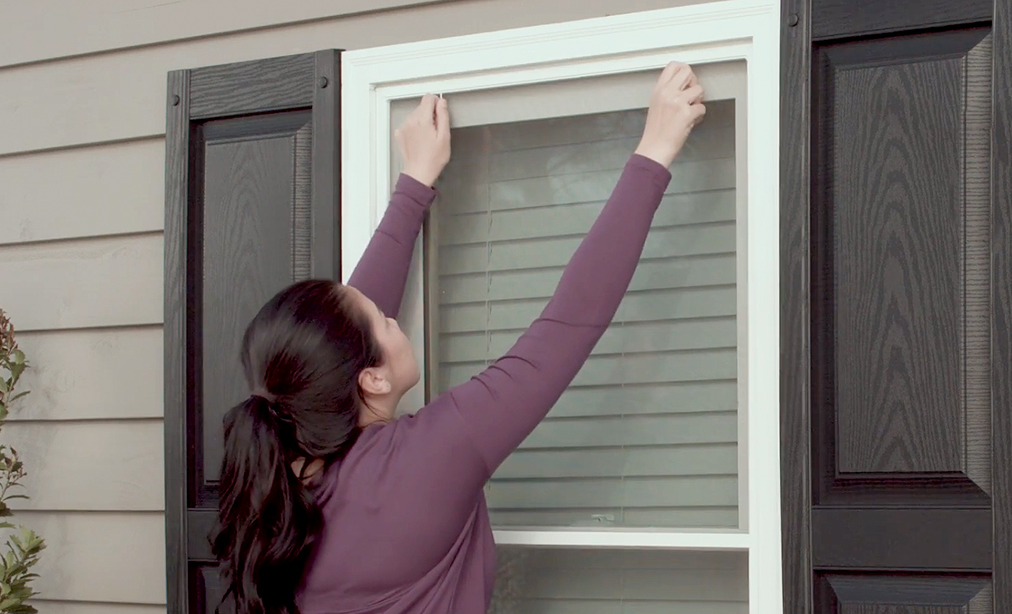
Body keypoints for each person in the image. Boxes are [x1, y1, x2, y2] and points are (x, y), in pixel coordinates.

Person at [212, 61, 706, 614]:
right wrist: (654, 151)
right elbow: (565, 329)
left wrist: (415, 184)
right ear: (369, 377)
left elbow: (345, 340)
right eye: (384, 320)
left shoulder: (290, 487)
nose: (392, 316)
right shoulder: (426, 460)